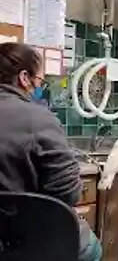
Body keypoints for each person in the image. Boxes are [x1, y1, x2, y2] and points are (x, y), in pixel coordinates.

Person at [0, 43, 102, 261]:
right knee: (92, 249)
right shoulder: (39, 118)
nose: (40, 88)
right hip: (32, 242)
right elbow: (68, 193)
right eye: (39, 82)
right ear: (24, 78)